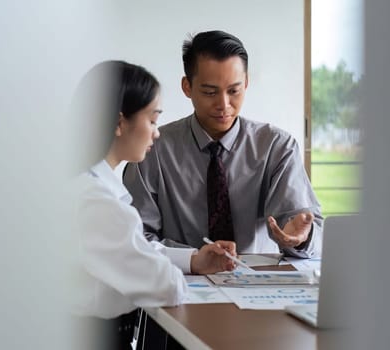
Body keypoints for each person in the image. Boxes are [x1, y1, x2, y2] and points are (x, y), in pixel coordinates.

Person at [71, 60, 237, 349]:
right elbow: (165, 285)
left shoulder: (88, 188)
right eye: (152, 120)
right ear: (119, 123)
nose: (156, 133)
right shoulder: (97, 203)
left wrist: (193, 260)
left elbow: (133, 249)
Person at [123, 30, 323, 258]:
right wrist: (193, 259)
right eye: (210, 92)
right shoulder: (152, 149)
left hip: (258, 284)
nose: (224, 104)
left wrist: (299, 240)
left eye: (234, 91)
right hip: (180, 281)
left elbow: (307, 229)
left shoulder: (277, 147)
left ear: (246, 83)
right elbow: (136, 238)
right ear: (187, 87)